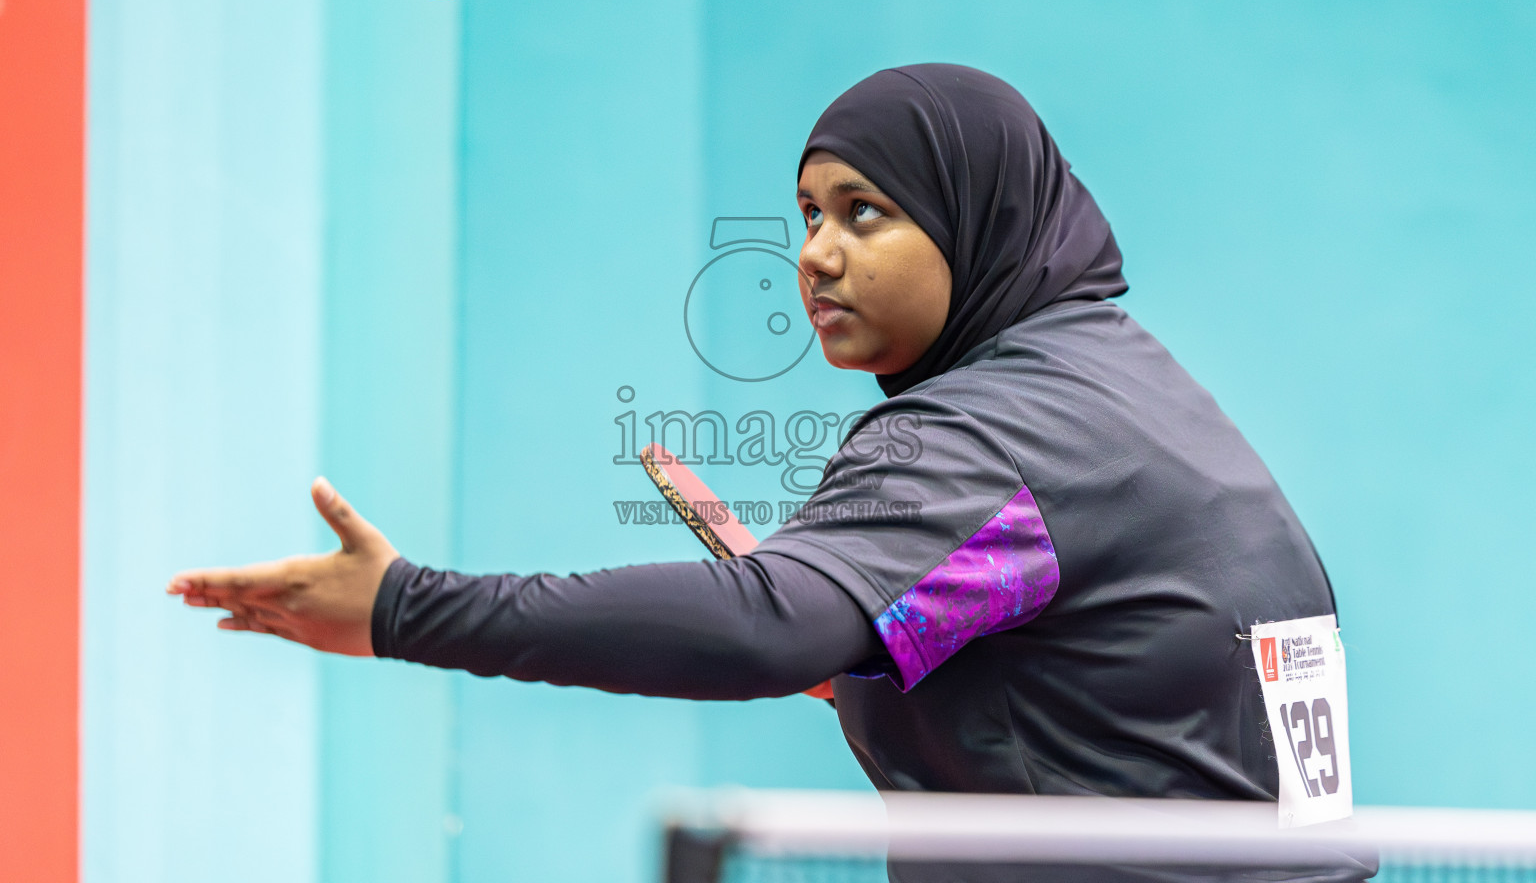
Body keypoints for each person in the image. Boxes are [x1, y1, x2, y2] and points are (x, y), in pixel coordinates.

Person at [170, 64, 1367, 881]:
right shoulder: (1123, 390)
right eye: (806, 213)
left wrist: (402, 609)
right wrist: (871, 634)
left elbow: (756, 635)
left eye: (867, 213)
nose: (817, 255)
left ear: (975, 217)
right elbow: (1110, 674)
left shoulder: (992, 433)